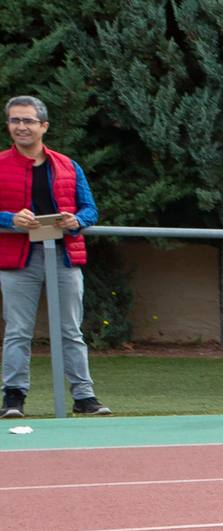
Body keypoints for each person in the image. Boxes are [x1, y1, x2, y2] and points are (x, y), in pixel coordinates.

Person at [1, 95, 108, 418]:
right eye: (15, 120)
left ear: (43, 126)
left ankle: (84, 397)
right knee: (17, 330)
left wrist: (78, 221)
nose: (21, 126)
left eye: (28, 120)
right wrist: (9, 220)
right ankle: (13, 398)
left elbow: (89, 208)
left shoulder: (67, 165)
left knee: (70, 330)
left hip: (63, 256)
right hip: (18, 260)